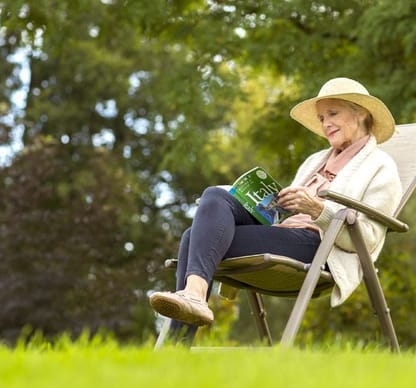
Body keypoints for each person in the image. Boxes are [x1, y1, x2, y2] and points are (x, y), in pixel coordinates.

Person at [149, 77, 403, 338]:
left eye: (333, 113)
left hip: (320, 248)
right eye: (321, 118)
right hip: (283, 232)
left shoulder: (382, 167)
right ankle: (194, 298)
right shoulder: (315, 160)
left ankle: (180, 333)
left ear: (360, 112)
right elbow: (285, 216)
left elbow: (368, 239)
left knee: (194, 238)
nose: (326, 124)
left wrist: (318, 210)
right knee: (214, 197)